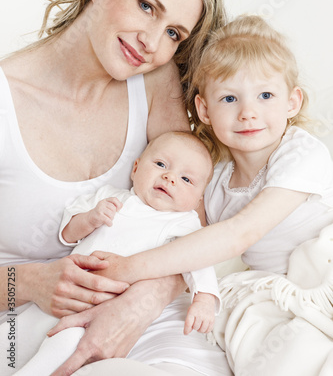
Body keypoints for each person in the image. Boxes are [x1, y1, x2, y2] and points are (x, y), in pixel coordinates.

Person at [0, 0, 226, 376]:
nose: (151, 43)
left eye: (174, 34)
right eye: (146, 7)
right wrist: (27, 282)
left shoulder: (154, 83)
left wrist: (142, 299)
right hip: (21, 326)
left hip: (149, 318)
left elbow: (189, 224)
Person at [85, 14, 333, 287]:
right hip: (274, 288)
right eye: (229, 98)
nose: (248, 113)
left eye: (265, 96)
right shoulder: (214, 181)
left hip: (323, 275)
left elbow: (240, 233)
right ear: (204, 110)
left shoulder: (301, 154)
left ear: (292, 102)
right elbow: (189, 240)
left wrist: (130, 268)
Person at [13, 131, 223, 376]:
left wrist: (205, 299)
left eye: (186, 179)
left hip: (103, 312)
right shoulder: (110, 197)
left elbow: (197, 257)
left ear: (198, 199)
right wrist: (90, 219)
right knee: (19, 333)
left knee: (65, 345)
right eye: (161, 164)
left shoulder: (183, 223)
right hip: (64, 291)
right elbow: (68, 234)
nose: (170, 177)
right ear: (136, 168)